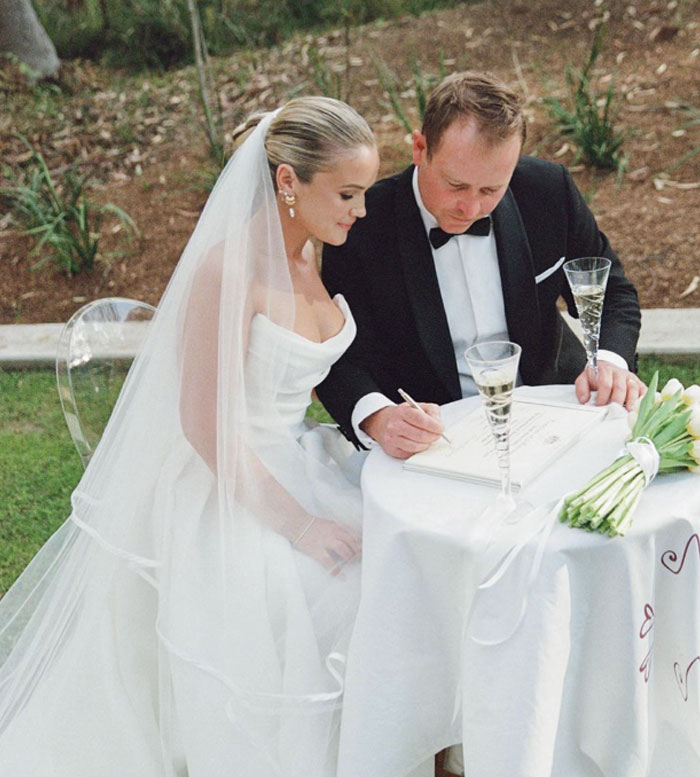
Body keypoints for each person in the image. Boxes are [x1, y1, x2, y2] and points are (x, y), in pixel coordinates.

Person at [0, 97, 379, 776]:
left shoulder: (313, 250)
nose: (360, 211)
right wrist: (299, 526)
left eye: (364, 193)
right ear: (288, 181)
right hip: (229, 481)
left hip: (301, 457)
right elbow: (204, 423)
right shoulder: (228, 270)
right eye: (348, 193)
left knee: (389, 560)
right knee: (333, 590)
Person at [316, 71, 643, 459]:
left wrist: (608, 361)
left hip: (559, 407)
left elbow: (611, 293)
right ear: (420, 148)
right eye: (456, 185)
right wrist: (379, 417)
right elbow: (339, 355)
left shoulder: (547, 191)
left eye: (491, 190)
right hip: (439, 439)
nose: (471, 208)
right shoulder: (363, 225)